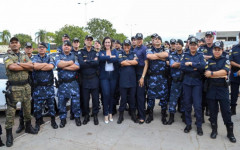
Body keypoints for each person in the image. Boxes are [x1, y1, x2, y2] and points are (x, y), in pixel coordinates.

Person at [4, 37, 38, 147]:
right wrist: (24, 66)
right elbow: (12, 67)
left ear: (19, 45)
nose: (14, 44)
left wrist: (19, 64)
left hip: (26, 87)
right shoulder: (7, 56)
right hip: (13, 88)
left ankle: (28, 127)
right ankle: (9, 135)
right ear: (10, 45)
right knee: (10, 113)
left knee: (27, 109)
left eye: (16, 42)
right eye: (12, 43)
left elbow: (32, 67)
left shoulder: (24, 56)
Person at [204, 41, 236, 143]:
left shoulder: (226, 60)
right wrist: (220, 74)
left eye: (219, 50)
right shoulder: (209, 61)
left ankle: (230, 133)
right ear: (213, 50)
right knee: (213, 112)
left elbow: (225, 72)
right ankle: (214, 130)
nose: (217, 52)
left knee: (226, 112)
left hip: (223, 89)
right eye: (215, 50)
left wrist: (213, 73)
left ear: (222, 50)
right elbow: (206, 74)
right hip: (211, 89)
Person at [180, 37, 205, 136]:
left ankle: (199, 126)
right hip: (186, 83)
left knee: (198, 106)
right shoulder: (185, 54)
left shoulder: (200, 55)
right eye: (191, 44)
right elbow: (182, 67)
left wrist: (191, 63)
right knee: (187, 104)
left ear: (197, 46)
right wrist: (195, 68)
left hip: (197, 83)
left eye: (195, 44)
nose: (193, 46)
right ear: (189, 45)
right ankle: (188, 124)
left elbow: (203, 67)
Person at [32, 42, 58, 131]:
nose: (41, 48)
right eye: (40, 47)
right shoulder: (34, 57)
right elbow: (34, 66)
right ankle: (38, 123)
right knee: (37, 107)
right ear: (38, 48)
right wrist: (44, 65)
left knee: (51, 106)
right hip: (38, 87)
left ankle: (53, 121)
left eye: (43, 47)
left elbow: (50, 67)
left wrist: (40, 66)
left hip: (49, 87)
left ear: (46, 49)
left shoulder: (50, 57)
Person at [55, 40, 81, 128]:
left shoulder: (74, 56)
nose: (66, 46)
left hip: (73, 83)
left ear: (70, 47)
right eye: (65, 45)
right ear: (62, 46)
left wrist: (64, 66)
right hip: (63, 84)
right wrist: (70, 63)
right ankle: (63, 119)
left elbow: (77, 67)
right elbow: (58, 64)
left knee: (76, 102)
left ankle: (77, 117)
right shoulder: (58, 55)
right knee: (62, 102)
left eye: (68, 45)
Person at [146, 35, 169, 125]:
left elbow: (166, 55)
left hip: (162, 78)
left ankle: (163, 116)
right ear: (153, 41)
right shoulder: (149, 49)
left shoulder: (165, 49)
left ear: (161, 41)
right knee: (151, 97)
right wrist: (161, 57)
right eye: (155, 39)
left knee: (163, 98)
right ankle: (150, 116)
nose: (157, 40)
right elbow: (149, 56)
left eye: (158, 39)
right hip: (152, 77)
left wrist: (155, 56)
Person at [79, 35, 100, 125]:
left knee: (95, 99)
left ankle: (95, 115)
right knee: (85, 99)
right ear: (85, 41)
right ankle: (86, 115)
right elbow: (81, 64)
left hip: (94, 78)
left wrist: (86, 61)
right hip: (85, 79)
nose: (89, 41)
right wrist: (92, 61)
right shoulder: (81, 52)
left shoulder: (95, 52)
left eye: (91, 40)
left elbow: (97, 63)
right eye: (87, 40)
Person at [117, 39, 138, 124]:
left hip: (132, 80)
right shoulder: (120, 54)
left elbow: (136, 62)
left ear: (130, 46)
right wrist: (131, 62)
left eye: (128, 45)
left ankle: (133, 115)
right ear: (123, 46)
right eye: (125, 45)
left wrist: (127, 62)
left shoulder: (133, 53)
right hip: (123, 81)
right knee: (123, 99)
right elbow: (121, 62)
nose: (126, 47)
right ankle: (121, 116)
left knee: (132, 99)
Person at [98, 37, 119, 123]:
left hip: (113, 76)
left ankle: (110, 112)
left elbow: (116, 59)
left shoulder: (115, 52)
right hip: (104, 77)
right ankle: (105, 113)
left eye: (108, 42)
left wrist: (106, 57)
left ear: (111, 43)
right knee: (106, 94)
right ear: (103, 43)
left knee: (111, 94)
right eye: (106, 42)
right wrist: (110, 57)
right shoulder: (101, 52)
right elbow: (101, 58)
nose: (107, 44)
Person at [16, 42, 34, 134]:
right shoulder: (20, 57)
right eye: (27, 48)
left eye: (30, 48)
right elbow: (16, 66)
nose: (28, 49)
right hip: (24, 84)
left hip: (34, 83)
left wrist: (21, 65)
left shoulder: (35, 58)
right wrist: (27, 66)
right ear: (24, 48)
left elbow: (32, 68)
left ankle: (32, 124)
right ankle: (21, 124)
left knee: (33, 104)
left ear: (32, 49)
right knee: (24, 106)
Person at [167, 39, 185, 125]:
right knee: (173, 100)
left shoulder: (186, 54)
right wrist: (184, 63)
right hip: (175, 81)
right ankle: (171, 117)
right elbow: (172, 64)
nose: (177, 45)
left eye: (179, 44)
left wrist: (181, 63)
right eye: (176, 44)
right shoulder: (172, 55)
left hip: (184, 81)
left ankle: (185, 116)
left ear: (182, 45)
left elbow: (189, 64)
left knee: (185, 100)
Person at [133, 33, 148, 124]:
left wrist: (142, 77)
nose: (139, 40)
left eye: (140, 39)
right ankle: (139, 113)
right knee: (135, 95)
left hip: (141, 73)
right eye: (137, 39)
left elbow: (146, 64)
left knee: (140, 96)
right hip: (134, 73)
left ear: (142, 40)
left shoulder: (144, 49)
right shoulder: (135, 49)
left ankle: (142, 116)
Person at [229, 32, 240, 115]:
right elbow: (231, 61)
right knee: (234, 93)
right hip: (235, 74)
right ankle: (233, 108)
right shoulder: (234, 48)